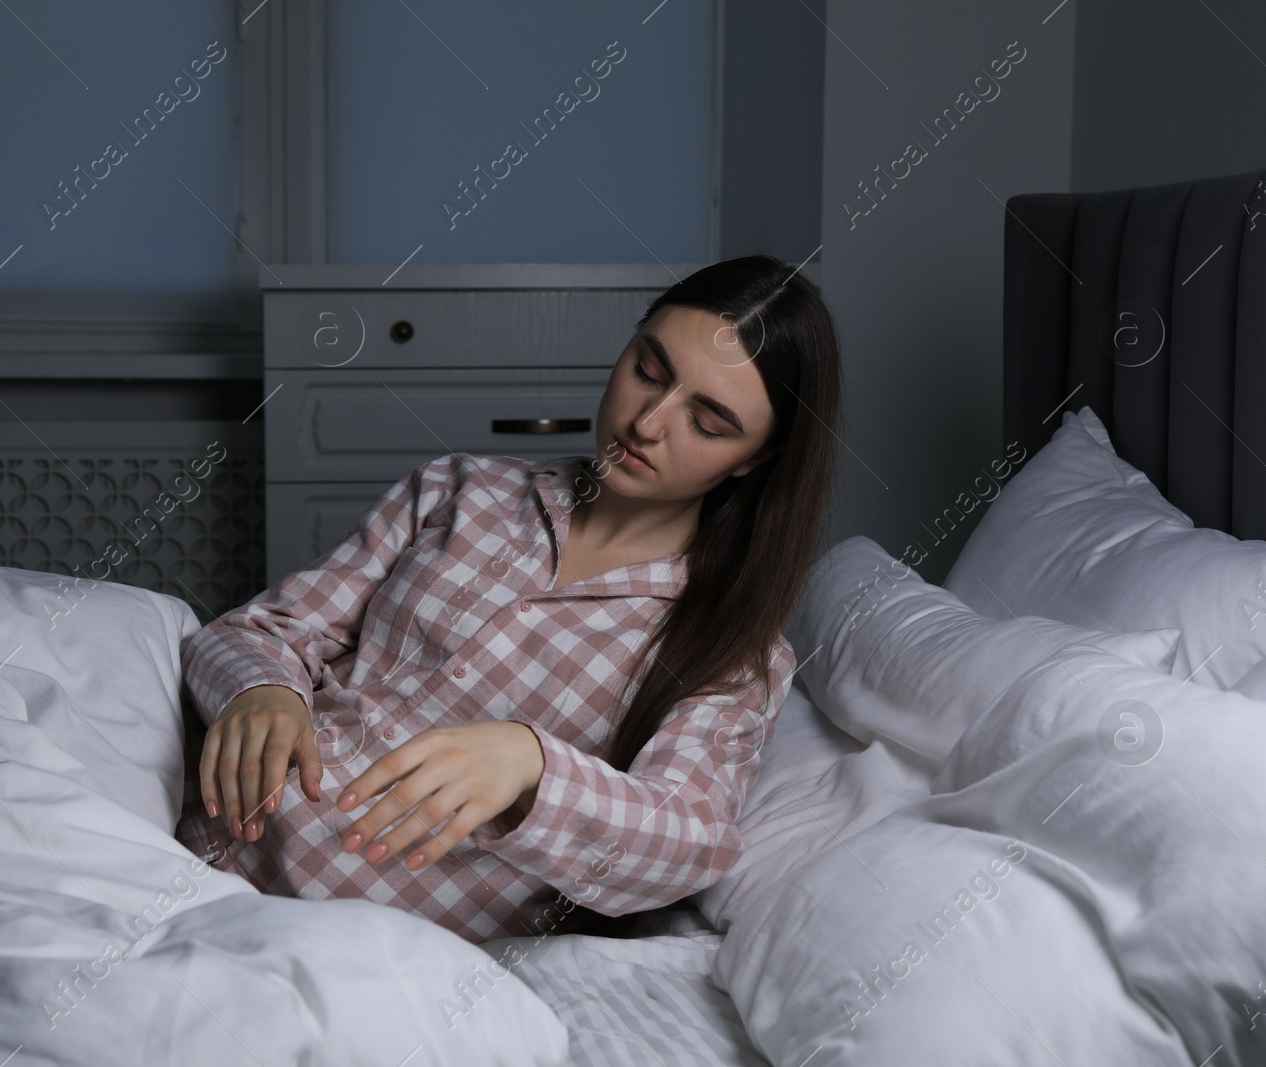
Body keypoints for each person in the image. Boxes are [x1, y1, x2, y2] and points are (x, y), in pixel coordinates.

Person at [172, 253, 844, 944]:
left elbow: (688, 839)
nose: (648, 423)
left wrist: (532, 764)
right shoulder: (457, 487)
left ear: (755, 457)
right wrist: (262, 689)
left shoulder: (733, 648)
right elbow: (257, 629)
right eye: (649, 369)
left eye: (708, 421)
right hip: (181, 852)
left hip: (347, 949)